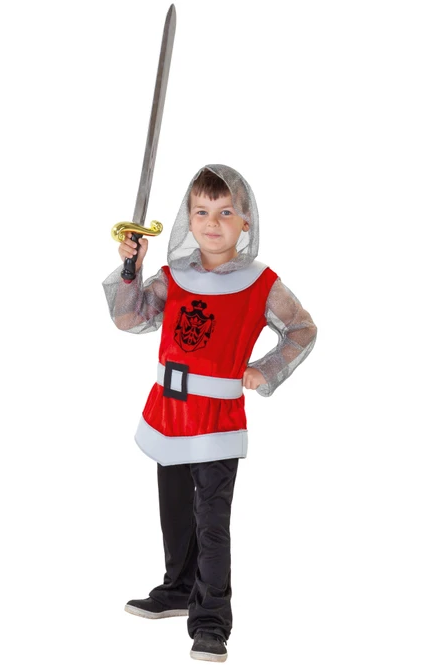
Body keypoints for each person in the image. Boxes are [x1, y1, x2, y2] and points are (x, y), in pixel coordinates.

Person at [103, 164, 316, 662]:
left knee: (211, 523)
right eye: (201, 212)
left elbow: (302, 329)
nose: (212, 223)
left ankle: (211, 621)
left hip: (216, 418)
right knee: (176, 511)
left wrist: (265, 370)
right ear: (188, 217)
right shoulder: (174, 276)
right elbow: (129, 318)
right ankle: (178, 588)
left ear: (246, 221)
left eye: (225, 213)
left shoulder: (261, 283)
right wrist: (131, 269)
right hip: (169, 413)